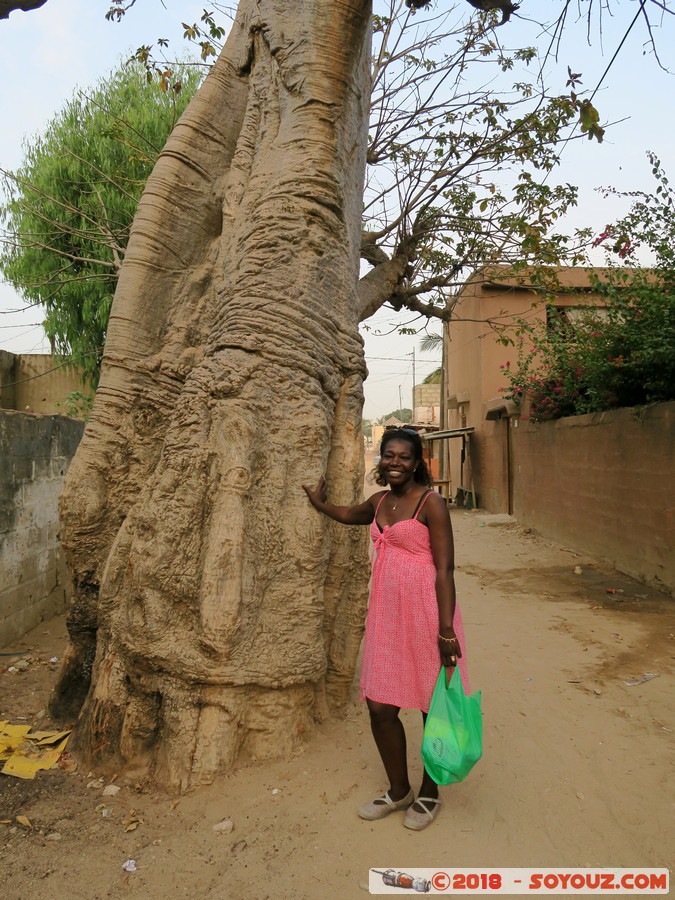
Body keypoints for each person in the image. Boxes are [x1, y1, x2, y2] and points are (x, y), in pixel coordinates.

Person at [302, 428, 469, 831]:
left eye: (404, 457)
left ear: (417, 462)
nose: (395, 462)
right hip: (387, 616)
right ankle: (399, 791)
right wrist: (319, 503)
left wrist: (447, 630)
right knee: (380, 706)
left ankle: (429, 794)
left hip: (429, 615)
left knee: (434, 708)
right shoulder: (379, 502)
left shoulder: (431, 503)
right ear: (381, 460)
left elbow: (444, 569)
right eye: (388, 455)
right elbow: (347, 515)